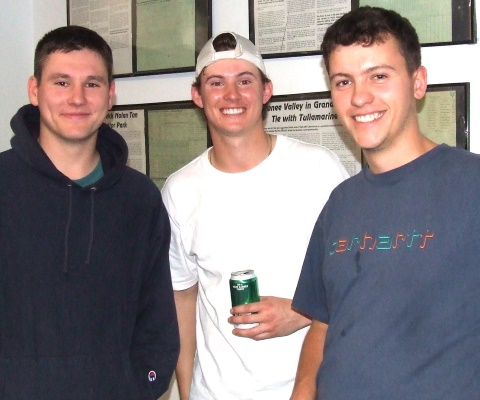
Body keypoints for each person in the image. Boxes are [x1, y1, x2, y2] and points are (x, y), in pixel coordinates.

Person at [291, 6, 480, 400]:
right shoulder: (339, 204)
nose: (360, 97)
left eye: (378, 76)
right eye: (343, 81)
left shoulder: (471, 185)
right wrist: (303, 390)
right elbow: (324, 323)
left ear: (418, 82)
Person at [161, 32, 349, 399]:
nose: (231, 95)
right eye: (217, 83)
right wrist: (186, 392)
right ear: (197, 96)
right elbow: (183, 298)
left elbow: (354, 276)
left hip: (308, 390)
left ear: (266, 92)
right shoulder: (180, 189)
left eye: (244, 81)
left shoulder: (318, 169)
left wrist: (302, 314)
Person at [0, 25, 179, 399]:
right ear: (35, 90)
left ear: (111, 94)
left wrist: (140, 385)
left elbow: (156, 319)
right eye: (62, 83)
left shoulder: (139, 198)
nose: (77, 98)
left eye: (93, 84)